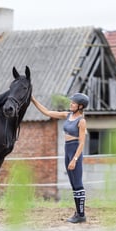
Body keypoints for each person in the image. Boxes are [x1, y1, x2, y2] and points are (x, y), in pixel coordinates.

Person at [31, 93, 89, 223]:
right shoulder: (67, 115)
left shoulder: (81, 121)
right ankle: (78, 213)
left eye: (73, 103)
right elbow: (47, 112)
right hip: (67, 149)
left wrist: (74, 159)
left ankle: (81, 214)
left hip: (75, 152)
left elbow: (82, 143)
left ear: (80, 106)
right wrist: (33, 100)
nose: (71, 104)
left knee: (78, 183)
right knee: (73, 184)